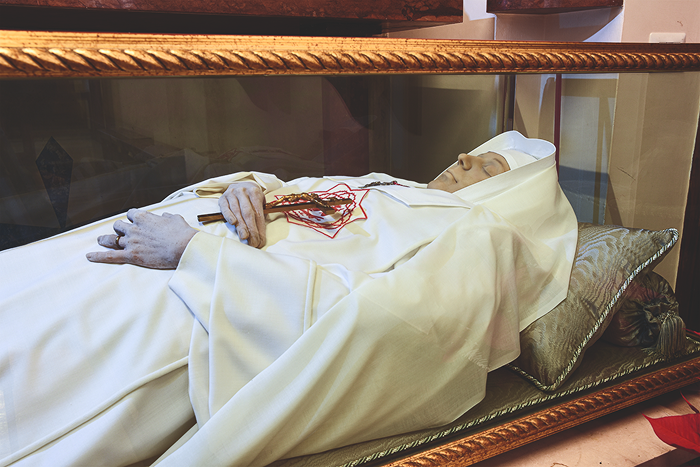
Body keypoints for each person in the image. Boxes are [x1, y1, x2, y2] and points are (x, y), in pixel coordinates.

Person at [0, 131, 577, 467]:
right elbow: (299, 197)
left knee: (33, 354)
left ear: (508, 196)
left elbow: (385, 328)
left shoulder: (482, 236)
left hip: (211, 302)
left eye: (491, 166)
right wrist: (245, 188)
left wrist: (196, 256)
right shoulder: (389, 185)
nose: (466, 159)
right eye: (476, 152)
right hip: (176, 238)